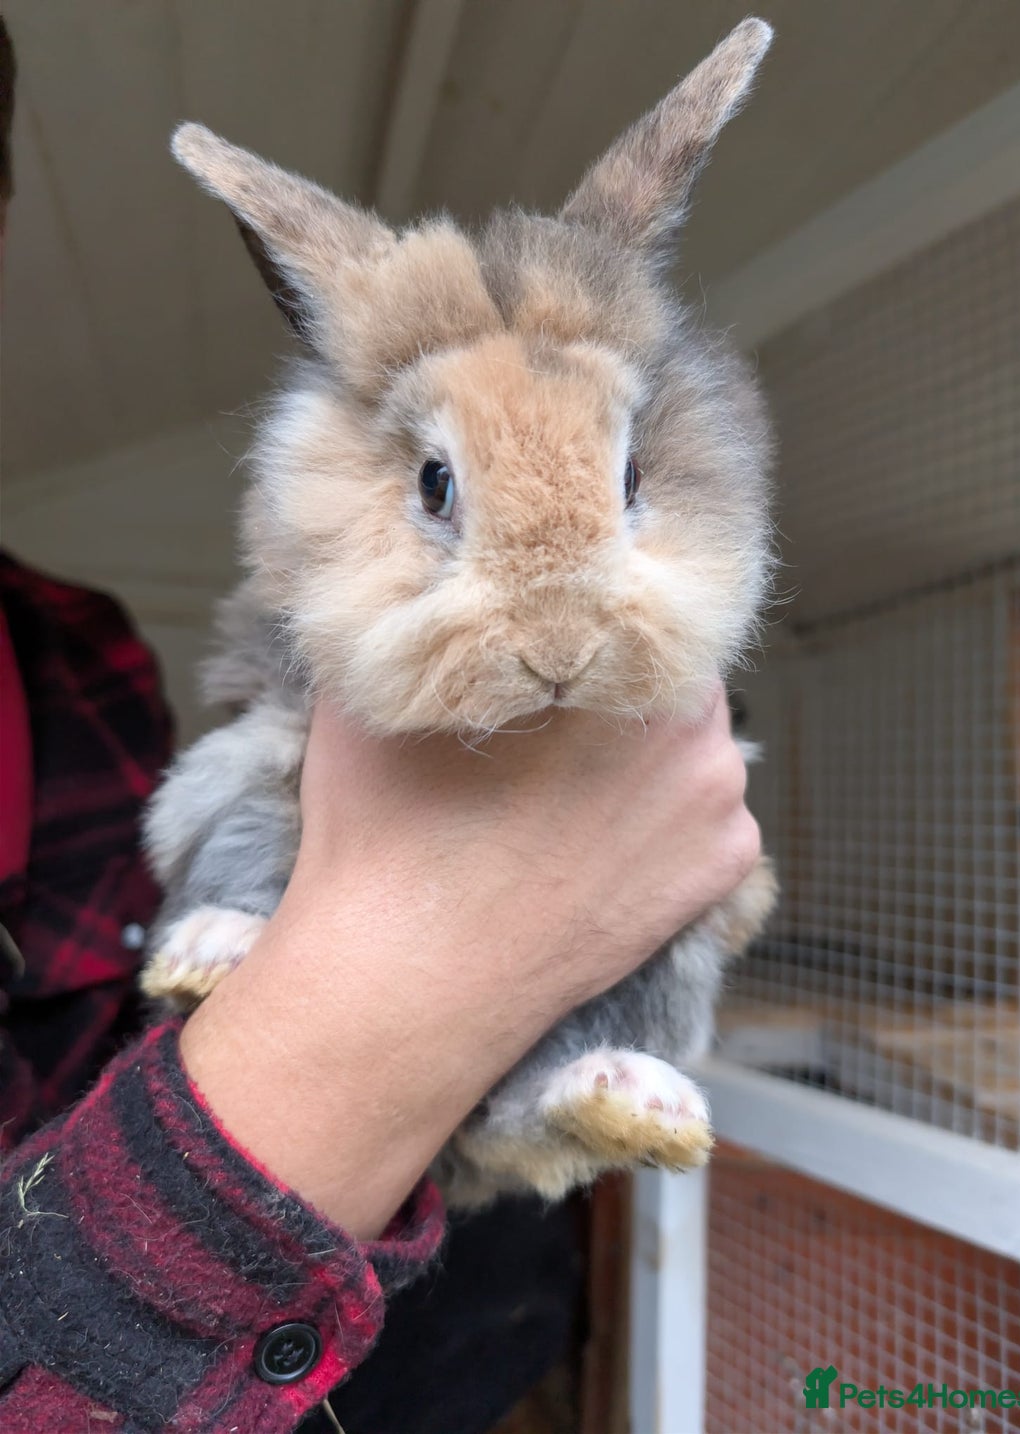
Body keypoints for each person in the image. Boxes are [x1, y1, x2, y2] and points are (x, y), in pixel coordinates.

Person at [0, 20, 761, 1432]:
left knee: (707, 887)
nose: (547, 636)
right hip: (252, 1288)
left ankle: (564, 1088)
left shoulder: (79, 655)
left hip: (441, 1282)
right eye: (437, 490)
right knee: (241, 780)